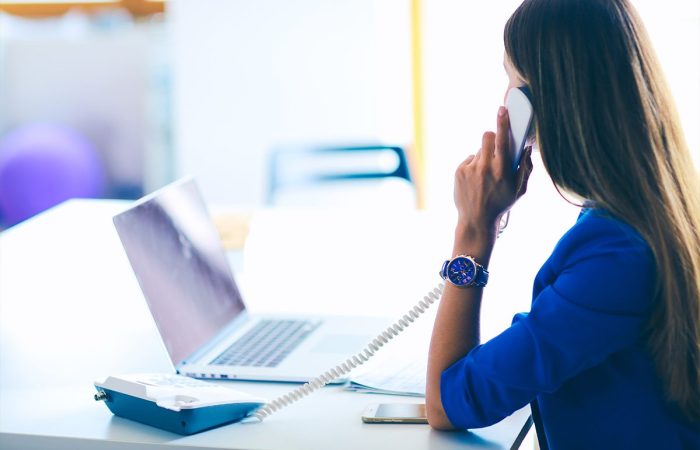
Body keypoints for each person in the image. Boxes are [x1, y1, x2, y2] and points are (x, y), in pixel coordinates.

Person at [425, 0, 700, 449]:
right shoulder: (654, 214)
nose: (504, 104)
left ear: (541, 104)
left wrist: (473, 233)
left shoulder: (614, 256)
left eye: (513, 82)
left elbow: (448, 401)